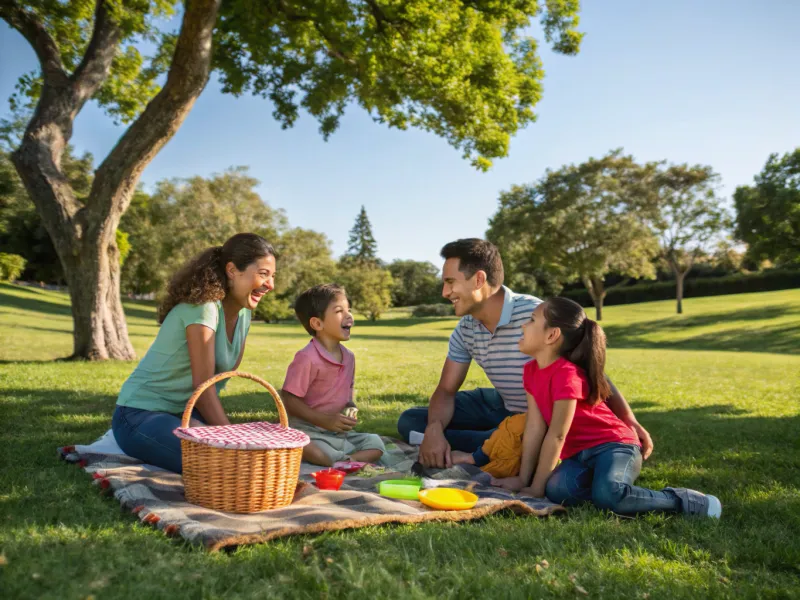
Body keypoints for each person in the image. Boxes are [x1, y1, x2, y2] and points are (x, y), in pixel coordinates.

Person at [397, 238, 654, 469]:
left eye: (450, 282)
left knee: (515, 434)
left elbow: (589, 372)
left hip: (537, 419)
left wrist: (629, 420)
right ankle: (491, 443)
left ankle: (496, 445)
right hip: (502, 403)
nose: (445, 293)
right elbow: (446, 391)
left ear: (478, 279)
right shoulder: (465, 329)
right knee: (411, 422)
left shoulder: (535, 316)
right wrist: (433, 429)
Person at [489, 296, 721, 518]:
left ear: (552, 335)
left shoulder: (566, 374)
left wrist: (536, 488)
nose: (523, 325)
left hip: (614, 446)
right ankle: (608, 489)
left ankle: (685, 501)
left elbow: (557, 435)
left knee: (609, 495)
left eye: (531, 320)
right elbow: (535, 429)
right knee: (558, 491)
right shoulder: (531, 372)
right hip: (580, 456)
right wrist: (524, 480)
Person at [111, 233, 276, 473]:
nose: (270, 285)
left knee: (257, 455)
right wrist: (235, 442)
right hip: (140, 414)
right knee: (226, 462)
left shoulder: (244, 314)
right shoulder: (203, 308)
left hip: (186, 413)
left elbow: (217, 382)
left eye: (272, 276)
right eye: (263, 274)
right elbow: (205, 387)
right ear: (232, 270)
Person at [279, 284, 385, 467]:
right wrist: (323, 420)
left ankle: (346, 461)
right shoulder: (307, 358)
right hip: (307, 430)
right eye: (339, 311)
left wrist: (350, 407)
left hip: (335, 433)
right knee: (310, 447)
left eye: (348, 310)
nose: (349, 316)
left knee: (376, 443)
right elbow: (288, 399)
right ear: (317, 323)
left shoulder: (349, 357)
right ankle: (339, 459)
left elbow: (347, 392)